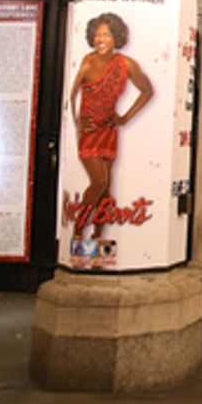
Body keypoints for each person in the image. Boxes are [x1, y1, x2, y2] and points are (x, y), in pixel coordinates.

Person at [68, 12, 153, 240]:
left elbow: (147, 91)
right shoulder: (88, 61)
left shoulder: (126, 64)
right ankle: (78, 231)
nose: (100, 39)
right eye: (97, 35)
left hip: (108, 129)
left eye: (106, 34)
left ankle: (96, 239)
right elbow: (73, 93)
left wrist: (124, 118)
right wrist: (77, 120)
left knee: (106, 188)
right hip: (88, 130)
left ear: (116, 37)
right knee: (99, 181)